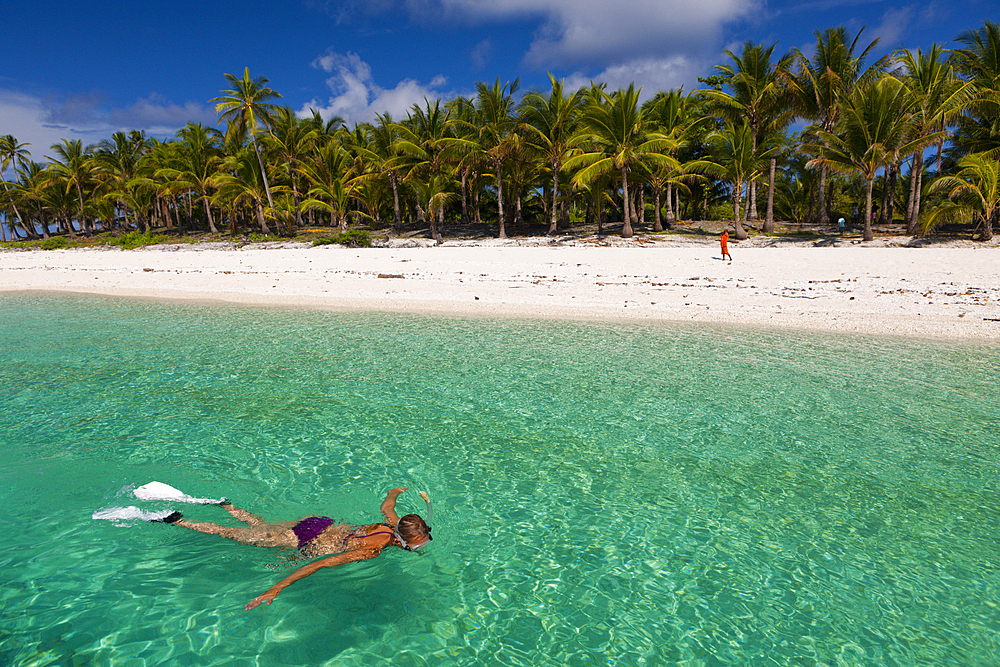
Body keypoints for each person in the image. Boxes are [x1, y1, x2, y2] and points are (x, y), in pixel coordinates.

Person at [156, 487, 432, 610]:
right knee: (238, 536)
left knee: (262, 527)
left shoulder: (395, 524)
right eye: (415, 545)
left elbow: (387, 507)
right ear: (399, 540)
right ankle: (180, 521)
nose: (417, 548)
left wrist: (395, 491)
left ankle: (227, 505)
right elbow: (318, 564)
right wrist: (278, 587)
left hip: (320, 525)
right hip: (305, 542)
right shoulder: (371, 551)